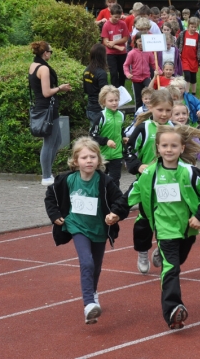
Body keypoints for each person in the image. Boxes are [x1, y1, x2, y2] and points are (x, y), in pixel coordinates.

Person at [127, 125, 200, 330]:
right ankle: (173, 309)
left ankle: (163, 255)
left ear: (182, 148)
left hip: (186, 228)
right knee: (172, 268)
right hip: (164, 228)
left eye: (173, 146)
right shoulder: (149, 173)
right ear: (157, 148)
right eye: (165, 145)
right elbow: (132, 193)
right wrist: (116, 211)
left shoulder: (190, 172)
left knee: (180, 259)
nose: (169, 149)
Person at [44, 137, 129, 324]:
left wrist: (114, 215)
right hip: (76, 225)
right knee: (86, 262)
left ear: (99, 160)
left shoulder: (105, 181)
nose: (89, 160)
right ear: (75, 161)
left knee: (96, 266)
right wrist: (55, 214)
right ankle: (89, 303)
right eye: (84, 157)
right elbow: (50, 197)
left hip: (99, 228)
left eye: (93, 157)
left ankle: (93, 294)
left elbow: (121, 201)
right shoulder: (66, 180)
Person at [123, 89, 174, 274]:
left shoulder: (174, 129)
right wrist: (138, 166)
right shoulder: (143, 128)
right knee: (146, 221)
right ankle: (143, 251)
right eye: (160, 109)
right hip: (147, 186)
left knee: (169, 220)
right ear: (151, 107)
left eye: (168, 110)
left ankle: (162, 248)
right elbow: (128, 151)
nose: (164, 114)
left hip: (169, 185)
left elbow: (185, 153)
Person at [28, 41, 72, 186]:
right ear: (45, 53)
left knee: (57, 140)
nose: (51, 54)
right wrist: (60, 88)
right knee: (48, 142)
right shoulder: (43, 69)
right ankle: (46, 176)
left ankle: (48, 173)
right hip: (47, 108)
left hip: (45, 107)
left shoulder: (33, 66)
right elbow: (46, 92)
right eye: (50, 52)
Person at [89, 85, 124, 188]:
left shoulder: (121, 115)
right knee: (101, 180)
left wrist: (124, 138)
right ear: (104, 102)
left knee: (115, 180)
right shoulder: (101, 116)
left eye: (116, 100)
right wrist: (106, 141)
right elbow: (92, 135)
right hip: (102, 155)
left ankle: (114, 201)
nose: (114, 103)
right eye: (110, 101)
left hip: (117, 154)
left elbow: (120, 131)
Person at [123, 34, 156, 111]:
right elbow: (126, 65)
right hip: (136, 78)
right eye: (140, 41)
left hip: (146, 77)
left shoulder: (148, 52)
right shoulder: (132, 53)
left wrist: (160, 72)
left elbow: (154, 63)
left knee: (149, 94)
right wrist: (127, 74)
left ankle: (149, 112)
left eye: (143, 41)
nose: (141, 43)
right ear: (136, 41)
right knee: (138, 99)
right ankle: (138, 114)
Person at [176, 16, 200, 95]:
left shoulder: (199, 37)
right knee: (187, 76)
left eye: (195, 27)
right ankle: (186, 92)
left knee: (193, 77)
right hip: (184, 59)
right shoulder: (183, 34)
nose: (193, 29)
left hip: (194, 60)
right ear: (188, 25)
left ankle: (193, 93)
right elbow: (177, 43)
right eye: (192, 27)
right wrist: (177, 52)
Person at [101, 3, 129, 88]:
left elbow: (125, 38)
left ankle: (122, 88)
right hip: (111, 53)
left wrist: (114, 42)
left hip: (122, 53)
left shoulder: (123, 24)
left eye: (119, 17)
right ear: (111, 15)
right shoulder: (106, 25)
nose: (117, 19)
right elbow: (106, 41)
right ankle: (115, 89)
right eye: (115, 17)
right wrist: (117, 46)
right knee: (113, 72)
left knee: (122, 71)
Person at [83, 43, 109, 127]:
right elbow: (104, 93)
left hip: (90, 107)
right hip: (99, 109)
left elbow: (85, 90)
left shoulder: (86, 70)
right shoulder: (101, 73)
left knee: (93, 133)